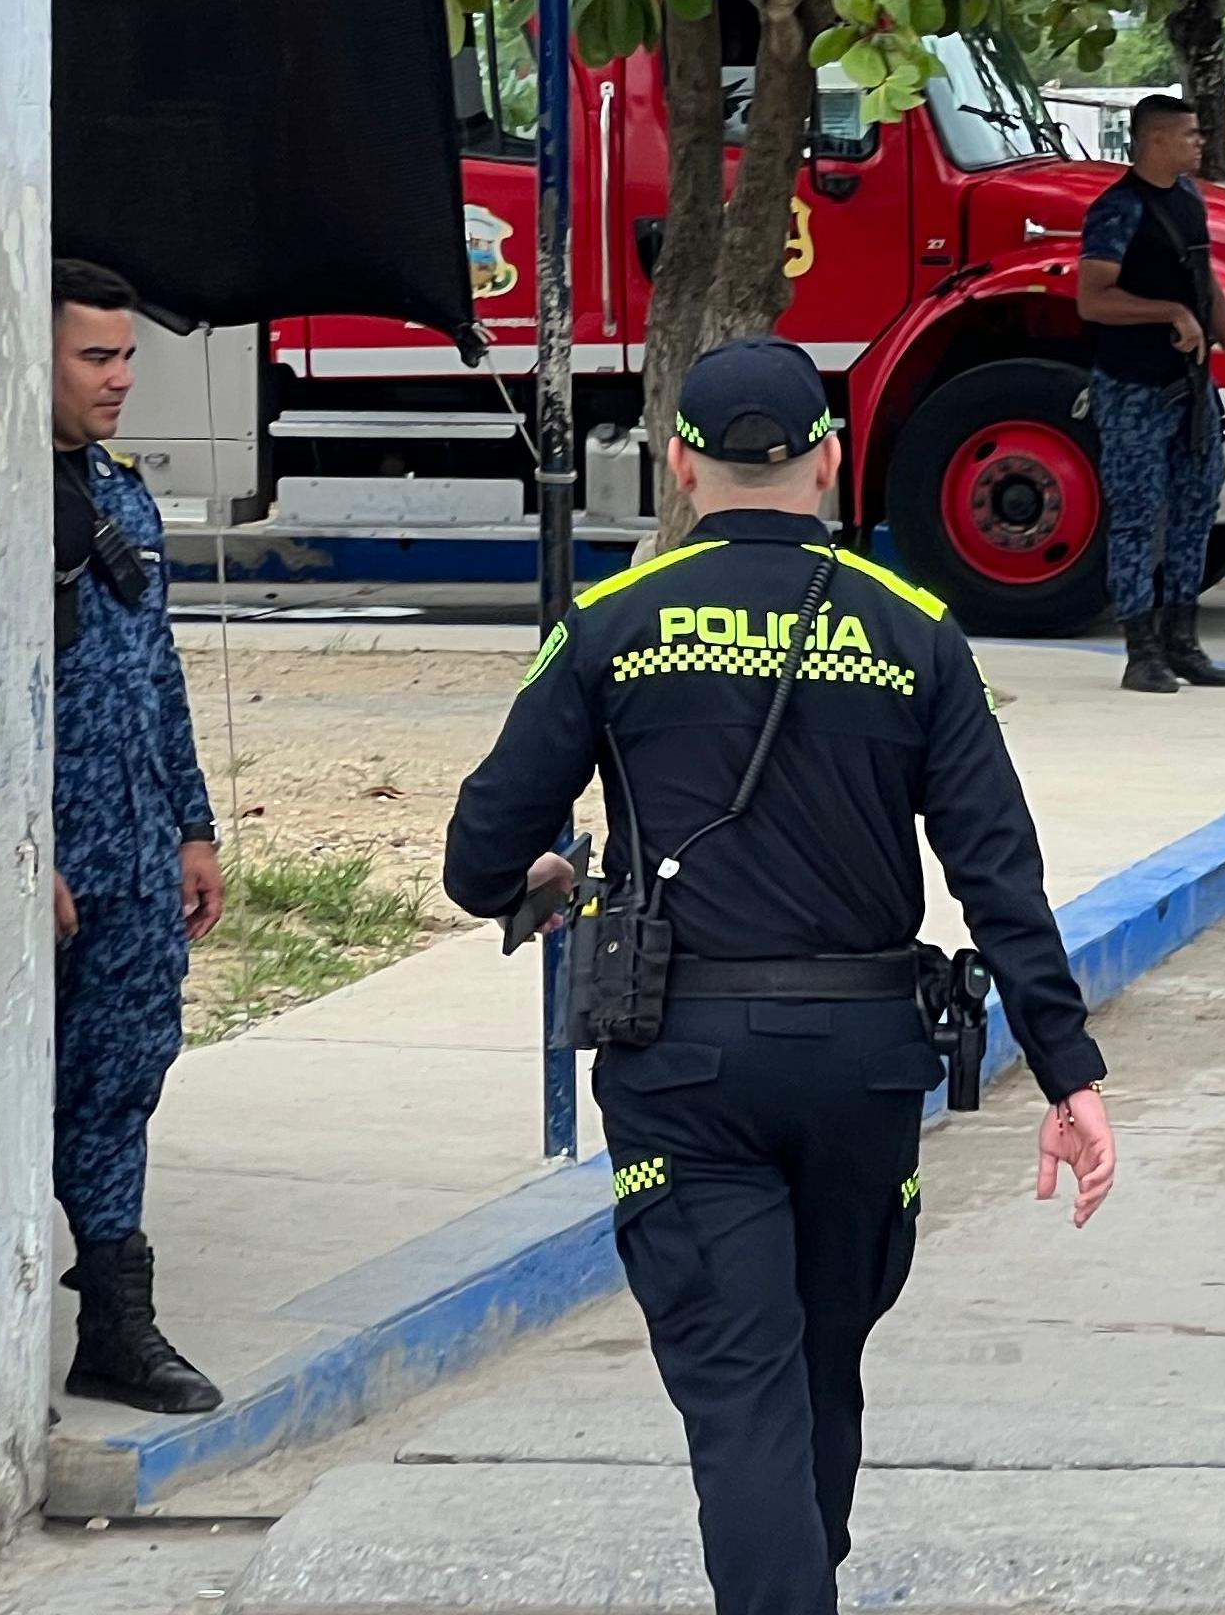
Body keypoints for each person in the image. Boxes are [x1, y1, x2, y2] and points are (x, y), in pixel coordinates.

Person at [445, 339, 1121, 1615]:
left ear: (683, 467)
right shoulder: (916, 630)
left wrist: (532, 882)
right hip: (865, 1064)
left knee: (742, 1387)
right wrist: (1067, 1072)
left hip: (683, 1063)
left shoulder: (612, 624)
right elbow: (1000, 873)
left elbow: (479, 851)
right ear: (826, 461)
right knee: (817, 1368)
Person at [49, 258, 227, 1416]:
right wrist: (19, 854)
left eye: (126, 357)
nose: (119, 379)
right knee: (16, 1093)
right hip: (44, 864)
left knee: (124, 1076)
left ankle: (115, 1323)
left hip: (133, 853)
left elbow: (155, 674)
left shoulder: (122, 498)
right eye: (94, 357)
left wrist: (193, 830)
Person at [1074, 94, 1225, 692]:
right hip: (1133, 387)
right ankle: (1140, 650)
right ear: (1155, 141)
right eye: (1189, 134)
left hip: (1192, 388)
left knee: (1197, 507)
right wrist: (1168, 312)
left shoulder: (1189, 199)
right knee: (1135, 515)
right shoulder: (1118, 210)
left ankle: (1184, 641)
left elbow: (1206, 284)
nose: (1199, 142)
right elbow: (1092, 298)